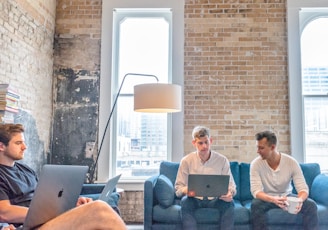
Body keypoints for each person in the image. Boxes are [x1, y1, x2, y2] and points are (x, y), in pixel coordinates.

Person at [0, 123, 126, 230]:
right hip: (31, 226)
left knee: (109, 210)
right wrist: (50, 213)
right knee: (99, 209)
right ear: (1, 146)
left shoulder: (25, 170)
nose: (24, 147)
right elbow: (4, 213)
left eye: (23, 142)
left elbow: (44, 199)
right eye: (18, 143)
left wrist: (70, 204)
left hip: (44, 219)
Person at [250, 130, 318, 230]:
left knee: (311, 205)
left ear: (272, 147)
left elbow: (303, 188)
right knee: (255, 205)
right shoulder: (256, 164)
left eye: (261, 148)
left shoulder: (291, 162)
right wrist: (273, 199)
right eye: (257, 147)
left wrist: (299, 200)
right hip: (267, 198)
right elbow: (256, 191)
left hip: (287, 197)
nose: (258, 151)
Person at [175, 126, 236, 230]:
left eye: (206, 142)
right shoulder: (186, 161)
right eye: (200, 143)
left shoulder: (222, 160)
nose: (204, 146)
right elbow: (178, 188)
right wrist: (187, 190)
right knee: (185, 202)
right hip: (194, 199)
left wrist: (230, 193)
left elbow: (232, 186)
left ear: (211, 141)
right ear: (194, 143)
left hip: (216, 199)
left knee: (230, 204)